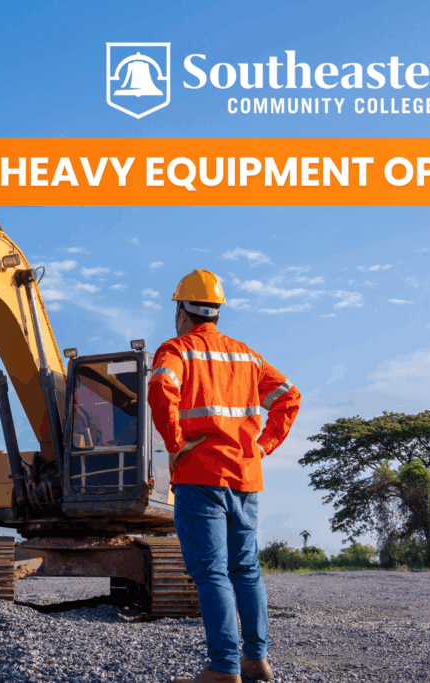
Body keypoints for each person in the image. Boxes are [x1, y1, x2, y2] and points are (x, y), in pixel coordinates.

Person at [148, 269, 301, 683]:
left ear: (182, 310)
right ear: (216, 312)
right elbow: (289, 396)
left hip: (201, 477)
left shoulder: (176, 350)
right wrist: (263, 446)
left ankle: (223, 668)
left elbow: (161, 389)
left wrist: (176, 442)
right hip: (245, 478)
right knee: (246, 570)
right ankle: (256, 660)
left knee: (212, 572)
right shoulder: (246, 357)